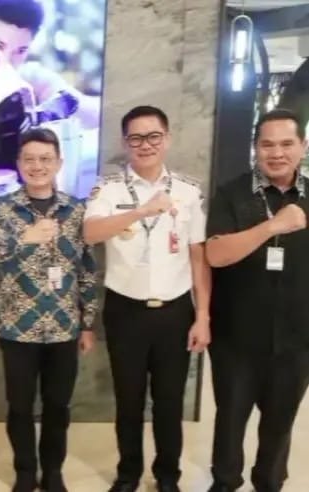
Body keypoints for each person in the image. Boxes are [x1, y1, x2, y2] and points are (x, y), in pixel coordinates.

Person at [83, 105, 211, 492]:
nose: (145, 144)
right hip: (126, 311)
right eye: (136, 138)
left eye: (153, 136)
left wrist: (202, 315)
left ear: (167, 139)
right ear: (126, 143)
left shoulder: (188, 192)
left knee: (170, 403)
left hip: (175, 311)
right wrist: (140, 211)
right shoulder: (107, 189)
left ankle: (167, 476)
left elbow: (198, 256)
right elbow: (90, 233)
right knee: (129, 401)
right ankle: (128, 475)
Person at [0, 128, 97, 492]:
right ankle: (25, 472)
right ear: (18, 164)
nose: (37, 166)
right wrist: (22, 238)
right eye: (29, 159)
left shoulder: (76, 211)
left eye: (45, 159)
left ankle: (53, 471)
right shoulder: (0, 208)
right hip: (17, 327)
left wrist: (88, 323)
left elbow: (87, 270)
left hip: (64, 326)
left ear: (59, 163)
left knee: (58, 406)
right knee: (19, 406)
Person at [205, 108, 309, 492]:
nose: (276, 153)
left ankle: (269, 483)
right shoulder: (231, 193)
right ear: (255, 148)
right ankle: (224, 482)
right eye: (267, 144)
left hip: (297, 338)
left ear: (303, 146)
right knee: (230, 420)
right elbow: (215, 254)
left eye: (286, 144)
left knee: (280, 423)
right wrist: (272, 226)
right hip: (236, 337)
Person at [0, 0, 100, 175]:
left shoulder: (29, 78)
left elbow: (98, 114)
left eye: (20, 51)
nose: (6, 60)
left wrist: (66, 104)